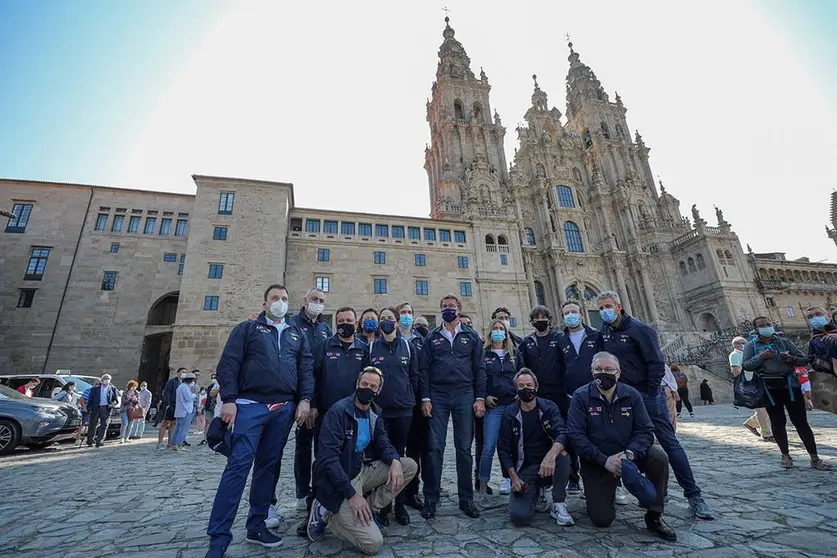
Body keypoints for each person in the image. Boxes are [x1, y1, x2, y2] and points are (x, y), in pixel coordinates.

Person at [205, 284, 313, 557]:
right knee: (238, 466)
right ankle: (218, 536)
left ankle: (257, 524)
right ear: (265, 304)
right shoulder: (248, 329)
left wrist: (305, 399)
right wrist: (228, 399)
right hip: (250, 405)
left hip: (283, 409)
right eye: (275, 298)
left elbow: (305, 369)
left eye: (284, 298)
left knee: (268, 466)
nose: (280, 302)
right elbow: (229, 363)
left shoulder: (296, 334)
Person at [596, 291, 714, 520]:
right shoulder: (605, 332)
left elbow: (657, 363)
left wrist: (649, 393)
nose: (604, 311)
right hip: (624, 397)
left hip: (648, 395)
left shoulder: (640, 329)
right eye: (600, 308)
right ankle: (657, 490)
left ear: (619, 306)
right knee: (632, 444)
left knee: (670, 443)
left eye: (608, 306)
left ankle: (694, 495)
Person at [306, 367, 417, 555]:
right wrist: (352, 495)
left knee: (409, 466)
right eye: (364, 384)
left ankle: (369, 509)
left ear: (378, 391)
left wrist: (396, 461)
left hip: (360, 470)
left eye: (373, 386)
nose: (368, 388)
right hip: (338, 480)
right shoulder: (339, 412)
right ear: (357, 384)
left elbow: (383, 443)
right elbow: (328, 460)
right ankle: (327, 514)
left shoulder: (374, 413)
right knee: (373, 544)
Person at [567, 351, 676, 541]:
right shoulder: (581, 396)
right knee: (602, 519)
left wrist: (629, 454)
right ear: (591, 372)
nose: (603, 373)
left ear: (618, 372)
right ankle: (605, 492)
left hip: (629, 456)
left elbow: (645, 430)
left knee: (659, 457)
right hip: (597, 461)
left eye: (608, 369)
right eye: (598, 369)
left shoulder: (631, 395)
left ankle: (655, 514)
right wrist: (604, 460)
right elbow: (576, 436)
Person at [290, 307, 370, 532]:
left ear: (356, 323)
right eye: (341, 320)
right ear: (336, 324)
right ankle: (315, 509)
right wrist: (312, 404)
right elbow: (313, 376)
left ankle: (351, 507)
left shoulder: (363, 349)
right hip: (326, 415)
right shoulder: (324, 347)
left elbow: (368, 381)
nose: (346, 323)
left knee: (353, 460)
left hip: (353, 415)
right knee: (324, 462)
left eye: (349, 320)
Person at [419, 293, 486, 519]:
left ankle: (466, 500)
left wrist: (479, 398)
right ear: (441, 310)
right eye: (444, 306)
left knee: (464, 449)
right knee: (434, 448)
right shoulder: (432, 337)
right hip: (437, 395)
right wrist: (425, 398)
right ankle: (431, 497)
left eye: (452, 306)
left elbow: (479, 369)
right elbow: (424, 369)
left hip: (464, 394)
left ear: (459, 308)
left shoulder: (471, 336)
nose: (448, 309)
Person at [742, 317, 833, 470]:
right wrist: (761, 357)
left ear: (773, 325)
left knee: (801, 423)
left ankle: (814, 458)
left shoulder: (785, 342)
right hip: (769, 389)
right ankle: (785, 455)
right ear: (756, 329)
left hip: (790, 386)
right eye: (762, 325)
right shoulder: (751, 345)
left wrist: (790, 358)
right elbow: (746, 365)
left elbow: (804, 360)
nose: (766, 327)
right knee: (777, 423)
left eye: (768, 324)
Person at [497, 369, 574, 527]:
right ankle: (536, 493)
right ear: (516, 390)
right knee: (519, 517)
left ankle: (558, 503)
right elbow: (503, 448)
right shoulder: (509, 413)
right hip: (525, 467)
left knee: (563, 456)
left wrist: (551, 456)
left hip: (549, 465)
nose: (526, 389)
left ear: (536, 387)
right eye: (521, 386)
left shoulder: (548, 407)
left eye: (529, 385)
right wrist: (513, 477)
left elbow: (562, 432)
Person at [370, 307, 419, 526]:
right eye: (384, 319)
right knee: (382, 457)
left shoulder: (407, 347)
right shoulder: (372, 347)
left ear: (397, 322)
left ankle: (399, 505)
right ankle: (382, 507)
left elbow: (414, 376)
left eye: (390, 318)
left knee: (400, 456)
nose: (387, 322)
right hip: (380, 412)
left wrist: (411, 398)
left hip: (403, 410)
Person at [291, 287, 333, 511]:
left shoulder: (325, 329)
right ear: (305, 300)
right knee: (303, 446)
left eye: (321, 300)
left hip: (320, 397)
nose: (318, 303)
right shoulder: (292, 324)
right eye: (314, 299)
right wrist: (307, 400)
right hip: (299, 395)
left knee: (322, 448)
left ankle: (320, 491)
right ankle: (302, 491)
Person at [556, 299, 599, 496]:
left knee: (599, 436)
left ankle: (609, 482)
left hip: (595, 395)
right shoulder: (560, 340)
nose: (570, 316)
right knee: (573, 437)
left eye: (573, 312)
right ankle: (574, 478)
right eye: (566, 313)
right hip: (570, 396)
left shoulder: (596, 336)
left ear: (582, 314)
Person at [476, 318, 519, 504]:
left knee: (515, 447)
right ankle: (483, 488)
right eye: (495, 328)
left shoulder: (514, 353)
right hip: (493, 407)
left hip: (513, 406)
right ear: (489, 332)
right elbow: (478, 377)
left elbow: (523, 374)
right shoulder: (483, 353)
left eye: (502, 328)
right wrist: (484, 396)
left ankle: (516, 483)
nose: (498, 331)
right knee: (488, 447)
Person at [403, 315, 431, 512]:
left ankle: (415, 491)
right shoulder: (388, 341)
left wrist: (425, 398)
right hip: (395, 404)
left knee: (418, 449)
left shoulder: (423, 342)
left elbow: (425, 371)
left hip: (418, 403)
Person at [730, 336, 773, 441]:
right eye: (745, 343)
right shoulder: (735, 354)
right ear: (738, 345)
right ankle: (767, 434)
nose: (748, 345)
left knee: (767, 407)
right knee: (762, 408)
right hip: (751, 384)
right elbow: (735, 369)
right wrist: (744, 384)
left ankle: (751, 423)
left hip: (759, 381)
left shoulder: (748, 353)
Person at [86, 374, 119, 448]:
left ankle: (99, 440)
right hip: (96, 408)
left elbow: (115, 400)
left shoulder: (112, 389)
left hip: (106, 408)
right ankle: (90, 440)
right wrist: (89, 410)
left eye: (108, 379)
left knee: (104, 425)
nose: (107, 380)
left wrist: (113, 403)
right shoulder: (95, 389)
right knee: (92, 425)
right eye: (105, 378)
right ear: (102, 380)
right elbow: (90, 400)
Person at [158, 368, 184, 450]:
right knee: (165, 423)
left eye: (185, 372)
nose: (183, 374)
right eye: (182, 372)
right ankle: (160, 443)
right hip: (170, 405)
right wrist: (167, 403)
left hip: (178, 406)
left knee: (173, 424)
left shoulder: (184, 383)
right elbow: (167, 392)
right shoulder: (172, 382)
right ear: (178, 373)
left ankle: (170, 442)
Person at [806, 306, 836, 375]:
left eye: (818, 314)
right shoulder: (814, 341)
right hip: (829, 377)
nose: (814, 318)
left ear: (828, 316)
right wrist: (822, 364)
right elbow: (810, 360)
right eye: (810, 317)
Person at [172, 372, 197, 449]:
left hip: (180, 410)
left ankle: (174, 443)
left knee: (177, 428)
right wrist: (194, 394)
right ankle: (180, 444)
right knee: (183, 429)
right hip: (186, 410)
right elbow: (188, 398)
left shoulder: (180, 387)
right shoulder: (185, 388)